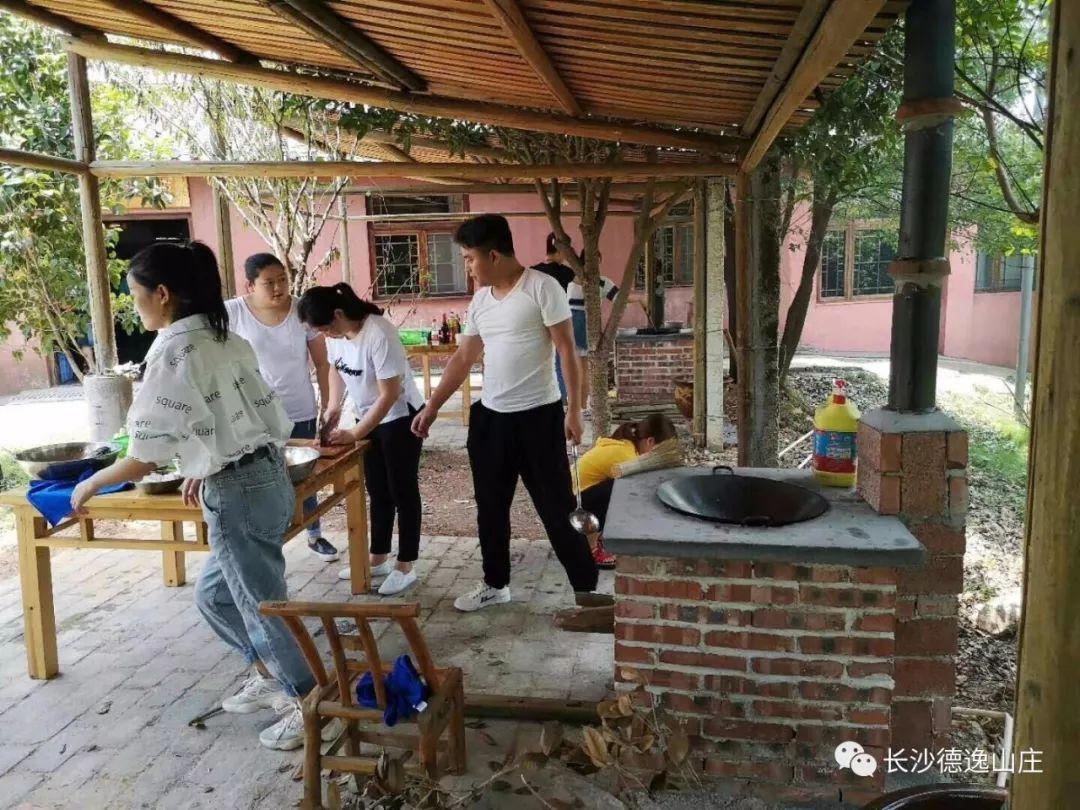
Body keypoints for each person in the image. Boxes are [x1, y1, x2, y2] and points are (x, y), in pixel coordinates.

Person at [69, 241, 330, 751]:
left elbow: (145, 455)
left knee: (262, 607)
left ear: (162, 294)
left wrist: (92, 482)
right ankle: (271, 675)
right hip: (266, 476)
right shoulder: (224, 336)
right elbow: (250, 416)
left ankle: (308, 703)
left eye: (137, 295)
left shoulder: (172, 350)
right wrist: (205, 458)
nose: (136, 307)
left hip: (238, 492)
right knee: (215, 596)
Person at [411, 214, 598, 611]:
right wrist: (432, 406)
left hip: (538, 418)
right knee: (491, 508)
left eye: (469, 258)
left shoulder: (542, 288)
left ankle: (588, 591)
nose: (467, 267)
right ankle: (495, 584)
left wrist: (575, 410)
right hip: (491, 421)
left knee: (557, 508)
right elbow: (464, 358)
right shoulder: (481, 301)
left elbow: (567, 350)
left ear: (493, 255)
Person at [298, 283, 425, 596]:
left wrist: (355, 433)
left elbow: (390, 394)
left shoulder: (379, 333)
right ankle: (378, 557)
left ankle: (406, 565)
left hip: (400, 417)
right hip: (367, 414)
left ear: (339, 314)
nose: (325, 336)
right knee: (378, 490)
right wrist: (333, 408)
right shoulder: (337, 336)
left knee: (402, 490)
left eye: (326, 329)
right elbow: (335, 370)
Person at [225, 253, 338, 563]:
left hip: (300, 408)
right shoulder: (233, 312)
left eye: (283, 280)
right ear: (250, 285)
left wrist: (328, 405)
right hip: (254, 414)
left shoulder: (302, 311)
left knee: (305, 476)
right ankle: (266, 540)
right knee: (259, 475)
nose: (278, 288)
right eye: (269, 283)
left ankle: (314, 534)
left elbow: (322, 362)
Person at [575, 413, 678, 569]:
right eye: (662, 451)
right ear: (650, 441)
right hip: (572, 509)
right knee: (622, 489)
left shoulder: (628, 446)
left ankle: (599, 540)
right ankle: (590, 549)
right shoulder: (626, 456)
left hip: (577, 501)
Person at [566, 251, 619, 412]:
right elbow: (620, 298)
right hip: (586, 327)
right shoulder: (602, 282)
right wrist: (640, 299)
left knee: (575, 370)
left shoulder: (570, 281)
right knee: (584, 370)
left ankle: (577, 406)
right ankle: (582, 406)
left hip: (570, 327)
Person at [530, 232, 577, 402]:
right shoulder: (568, 273)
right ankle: (562, 399)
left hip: (536, 325)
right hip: (559, 323)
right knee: (561, 360)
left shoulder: (532, 272)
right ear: (561, 250)